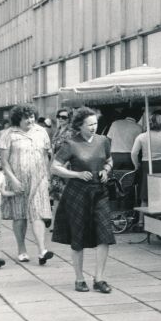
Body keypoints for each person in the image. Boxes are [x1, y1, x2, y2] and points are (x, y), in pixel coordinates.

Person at [51, 107, 116, 293]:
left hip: (99, 192)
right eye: (90, 125)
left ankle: (99, 279)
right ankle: (79, 279)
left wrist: (106, 170)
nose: (94, 127)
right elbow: (55, 167)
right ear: (79, 125)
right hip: (77, 194)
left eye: (95, 123)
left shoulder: (103, 141)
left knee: (105, 234)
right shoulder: (71, 144)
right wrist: (76, 174)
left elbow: (109, 160)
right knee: (78, 236)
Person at [0, 104, 54, 265]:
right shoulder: (8, 134)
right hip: (17, 180)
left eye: (31, 116)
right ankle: (21, 249)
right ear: (18, 119)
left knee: (38, 213)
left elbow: (46, 156)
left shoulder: (41, 132)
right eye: (26, 118)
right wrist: (13, 180)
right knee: (20, 215)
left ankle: (42, 251)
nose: (30, 120)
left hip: (39, 179)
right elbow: (4, 162)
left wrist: (47, 177)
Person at [130, 112, 161, 203]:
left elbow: (134, 153)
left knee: (146, 193)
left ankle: (144, 212)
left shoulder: (141, 137)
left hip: (147, 165)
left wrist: (136, 165)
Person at [49, 108, 73, 207]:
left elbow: (72, 151)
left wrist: (63, 167)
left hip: (65, 166)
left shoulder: (71, 132)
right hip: (55, 165)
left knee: (64, 195)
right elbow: (53, 150)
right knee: (56, 195)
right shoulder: (57, 131)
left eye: (64, 117)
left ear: (69, 118)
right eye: (59, 116)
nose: (61, 119)